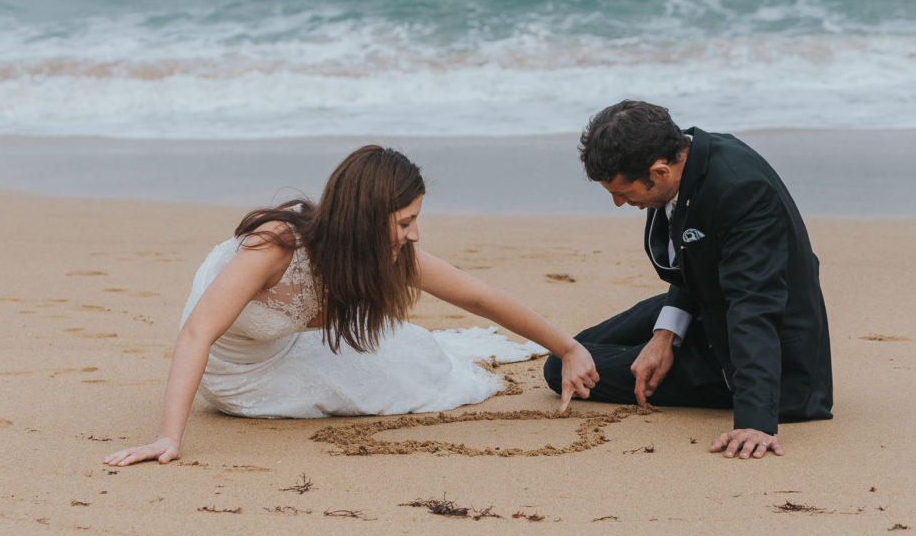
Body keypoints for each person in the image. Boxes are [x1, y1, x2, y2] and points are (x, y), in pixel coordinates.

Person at [105, 145, 598, 467]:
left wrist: (568, 347)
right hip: (232, 368)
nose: (415, 233)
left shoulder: (383, 251)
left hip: (287, 343)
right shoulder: (276, 245)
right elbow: (197, 334)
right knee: (391, 388)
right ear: (366, 217)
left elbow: (478, 296)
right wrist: (168, 438)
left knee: (422, 366)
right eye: (405, 221)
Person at [544, 100, 832, 460]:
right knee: (572, 350)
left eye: (623, 192)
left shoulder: (741, 191)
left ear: (660, 171)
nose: (618, 203)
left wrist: (755, 420)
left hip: (762, 360)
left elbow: (754, 304)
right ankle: (666, 340)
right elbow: (694, 263)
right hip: (703, 305)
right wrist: (665, 335)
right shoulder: (693, 155)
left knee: (559, 370)